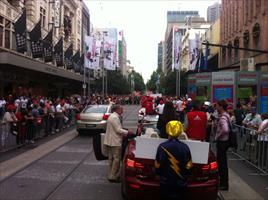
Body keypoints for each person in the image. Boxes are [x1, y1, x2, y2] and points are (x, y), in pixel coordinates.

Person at [155, 120, 193, 200]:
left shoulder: (162, 147)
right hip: (181, 184)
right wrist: (186, 177)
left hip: (165, 183)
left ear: (167, 130)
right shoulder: (185, 147)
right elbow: (189, 165)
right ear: (180, 131)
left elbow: (158, 165)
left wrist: (158, 174)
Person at [103, 105, 132, 182]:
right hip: (115, 141)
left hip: (110, 141)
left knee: (111, 159)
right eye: (121, 109)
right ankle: (113, 176)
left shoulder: (111, 116)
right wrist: (127, 132)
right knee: (116, 159)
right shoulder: (115, 117)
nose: (122, 111)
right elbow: (118, 130)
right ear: (117, 110)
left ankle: (110, 174)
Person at [215, 100, 230, 191]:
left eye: (217, 106)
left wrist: (218, 135)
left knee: (222, 164)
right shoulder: (226, 115)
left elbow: (225, 130)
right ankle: (224, 183)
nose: (216, 108)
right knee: (222, 163)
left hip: (222, 142)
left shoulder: (223, 118)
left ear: (221, 107)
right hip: (225, 142)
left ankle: (224, 184)